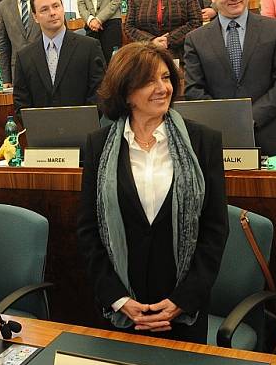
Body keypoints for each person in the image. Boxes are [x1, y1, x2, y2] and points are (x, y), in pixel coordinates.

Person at [77, 42, 228, 344]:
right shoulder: (98, 145)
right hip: (121, 312)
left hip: (184, 312)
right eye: (149, 81)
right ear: (125, 92)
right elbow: (88, 230)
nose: (162, 88)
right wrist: (118, 299)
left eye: (166, 78)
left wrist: (182, 301)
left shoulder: (203, 142)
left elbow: (214, 230)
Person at [183, 0, 276, 155]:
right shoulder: (195, 39)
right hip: (218, 139)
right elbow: (194, 89)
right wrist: (226, 121)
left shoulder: (275, 29)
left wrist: (248, 119)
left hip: (270, 135)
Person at [13, 0, 105, 121]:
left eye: (56, 6)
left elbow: (99, 92)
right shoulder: (25, 57)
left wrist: (83, 123)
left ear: (62, 8)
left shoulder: (89, 47)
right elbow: (21, 102)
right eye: (44, 9)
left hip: (83, 132)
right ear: (35, 17)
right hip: (41, 135)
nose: (52, 12)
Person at [0, 0, 41, 85]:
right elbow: (2, 45)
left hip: (48, 67)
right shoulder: (3, 7)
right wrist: (6, 79)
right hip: (19, 73)